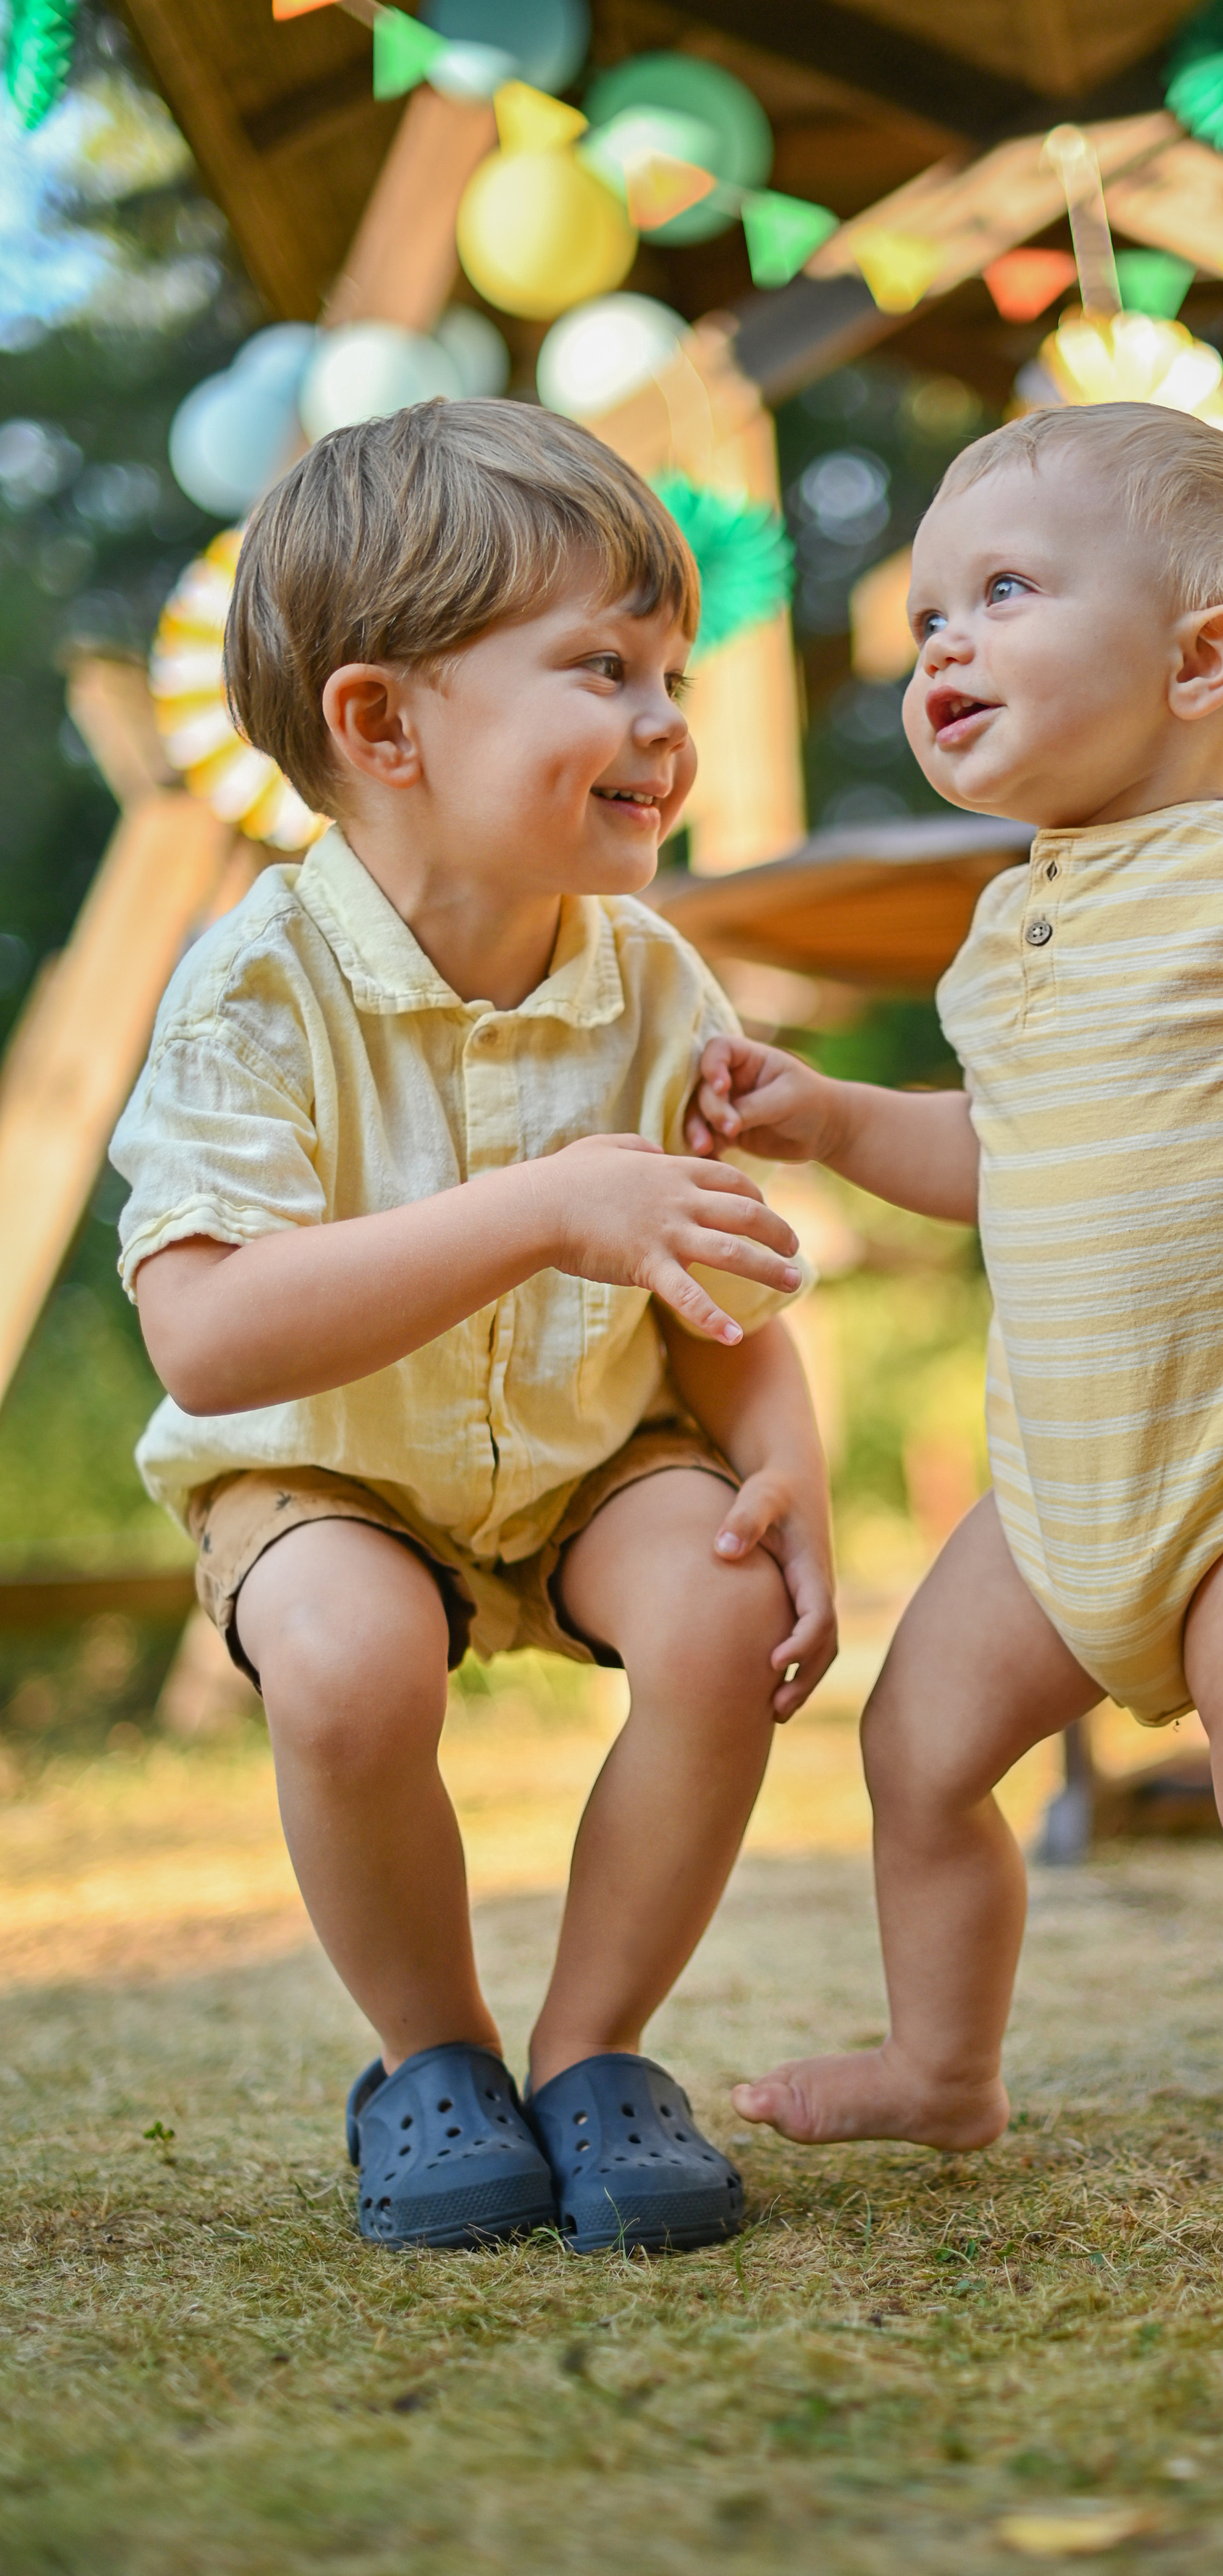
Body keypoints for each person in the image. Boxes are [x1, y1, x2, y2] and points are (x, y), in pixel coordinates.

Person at [689, 402, 1223, 2278]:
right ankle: (944, 2062)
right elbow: (1003, 1155)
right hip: (1062, 1485)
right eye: (925, 621)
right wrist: (829, 1119)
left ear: (1200, 657)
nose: (942, 644)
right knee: (916, 1750)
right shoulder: (1005, 928)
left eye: (1000, 592)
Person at [111, 400, 836, 2256]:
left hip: (595, 1456)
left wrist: (784, 1462)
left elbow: (714, 1283)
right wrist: (534, 1208)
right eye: (602, 667)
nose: (667, 719)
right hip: (329, 1472)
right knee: (349, 1666)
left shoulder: (653, 976)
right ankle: (430, 2060)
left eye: (671, 668)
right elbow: (205, 1338)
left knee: (721, 1603)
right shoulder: (254, 989)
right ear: (383, 725)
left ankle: (596, 2060)